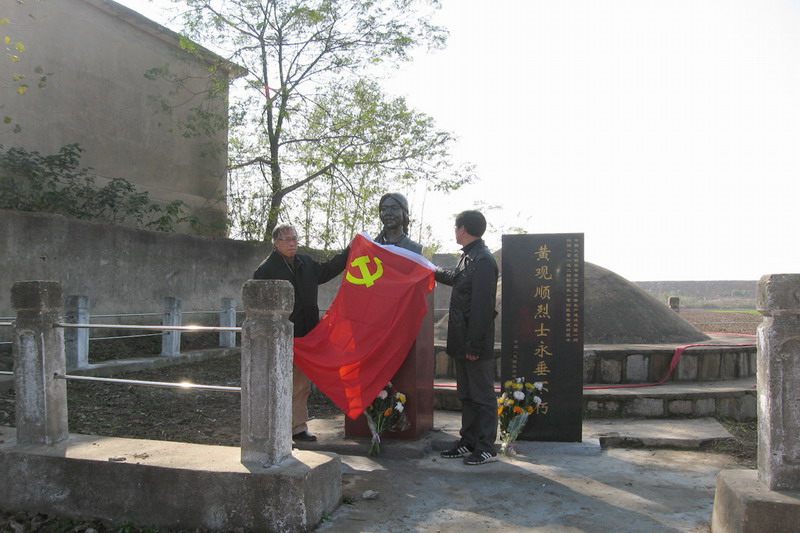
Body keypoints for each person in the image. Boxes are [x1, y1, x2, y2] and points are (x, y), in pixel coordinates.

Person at [253, 223, 350, 442]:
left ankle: (297, 427)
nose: (292, 243)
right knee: (278, 384)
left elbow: (328, 269)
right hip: (280, 337)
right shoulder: (265, 271)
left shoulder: (305, 262)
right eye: (287, 239)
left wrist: (350, 251)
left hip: (306, 336)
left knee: (301, 385)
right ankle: (274, 427)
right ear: (276, 243)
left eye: (295, 239)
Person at [435, 210, 499, 465]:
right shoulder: (469, 257)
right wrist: (431, 269)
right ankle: (468, 441)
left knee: (482, 396)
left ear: (462, 229)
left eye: (456, 227)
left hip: (474, 344)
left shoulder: (483, 260)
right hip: (462, 340)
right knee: (467, 395)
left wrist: (474, 345)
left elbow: (483, 307)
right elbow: (454, 278)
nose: (455, 231)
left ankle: (486, 447)